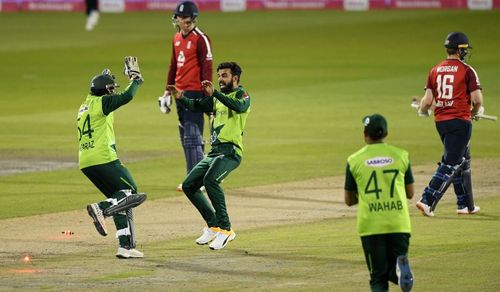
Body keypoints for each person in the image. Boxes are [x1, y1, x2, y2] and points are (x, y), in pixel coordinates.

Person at [167, 62, 250, 250]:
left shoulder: (241, 94)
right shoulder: (215, 98)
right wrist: (181, 97)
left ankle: (226, 230)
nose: (220, 79)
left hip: (231, 152)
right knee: (189, 185)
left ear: (235, 78)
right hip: (215, 152)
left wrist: (216, 94)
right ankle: (213, 225)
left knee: (211, 180)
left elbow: (239, 106)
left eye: (225, 75)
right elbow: (197, 105)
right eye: (219, 75)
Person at [78, 57, 147, 258]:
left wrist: (105, 78)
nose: (113, 91)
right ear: (104, 91)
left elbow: (100, 92)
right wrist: (135, 79)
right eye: (110, 88)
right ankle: (100, 208)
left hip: (86, 161)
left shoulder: (85, 105)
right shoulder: (103, 102)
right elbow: (127, 96)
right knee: (131, 191)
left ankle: (125, 246)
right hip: (104, 158)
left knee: (120, 198)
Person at [414, 32, 483, 217]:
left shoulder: (435, 70)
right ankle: (427, 200)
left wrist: (422, 111)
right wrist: (476, 112)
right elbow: (477, 100)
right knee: (452, 163)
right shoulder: (467, 70)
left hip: (441, 122)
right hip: (460, 122)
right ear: (460, 50)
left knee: (462, 160)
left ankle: (465, 205)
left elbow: (427, 102)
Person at [344, 114, 414, 292]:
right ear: (386, 133)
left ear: (364, 133)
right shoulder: (401, 155)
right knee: (393, 269)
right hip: (399, 223)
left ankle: (395, 272)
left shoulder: (354, 160)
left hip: (371, 224)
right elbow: (410, 193)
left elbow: (349, 200)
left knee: (377, 278)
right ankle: (398, 271)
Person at [158, 0, 214, 192]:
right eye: (181, 18)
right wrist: (167, 91)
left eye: (187, 19)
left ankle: (195, 179)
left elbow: (207, 66)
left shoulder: (201, 38)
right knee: (185, 134)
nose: (184, 21)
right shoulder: (176, 38)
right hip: (179, 93)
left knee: (192, 135)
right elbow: (173, 66)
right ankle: (203, 174)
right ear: (177, 19)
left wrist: (207, 91)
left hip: (195, 92)